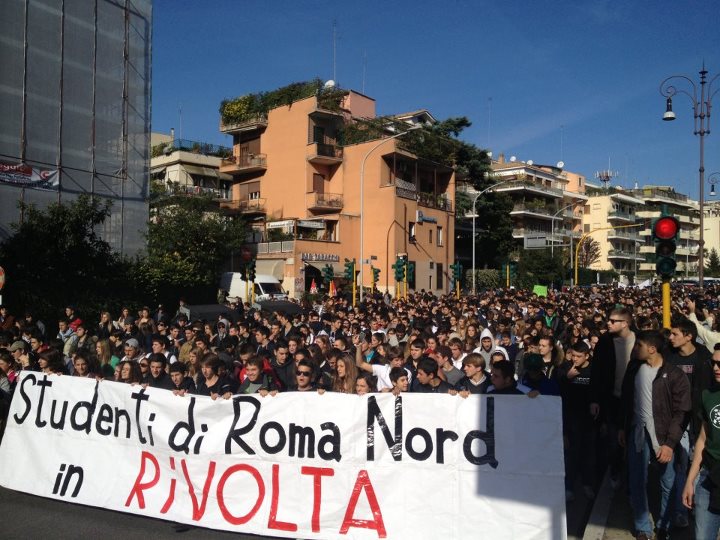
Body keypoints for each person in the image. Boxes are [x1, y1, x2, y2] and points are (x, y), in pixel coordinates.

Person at [619, 330, 691, 540]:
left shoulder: (675, 375)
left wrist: (669, 444)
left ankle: (664, 525)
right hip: (637, 434)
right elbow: (626, 399)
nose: (634, 350)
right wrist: (622, 427)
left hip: (664, 437)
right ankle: (643, 528)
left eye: (638, 346)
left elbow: (682, 412)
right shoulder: (633, 369)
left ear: (652, 349)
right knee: (637, 480)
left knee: (668, 482)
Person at [682, 344, 720, 540]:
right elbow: (703, 440)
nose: (715, 368)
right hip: (708, 477)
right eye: (713, 363)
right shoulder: (708, 395)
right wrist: (690, 481)